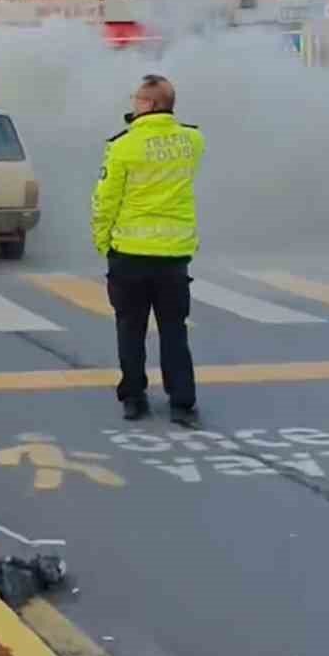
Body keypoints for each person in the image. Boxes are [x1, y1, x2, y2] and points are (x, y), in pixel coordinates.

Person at [91, 73, 205, 428]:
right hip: (173, 255)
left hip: (130, 253)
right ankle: (182, 403)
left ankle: (134, 398)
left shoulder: (122, 146)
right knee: (174, 329)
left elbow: (106, 200)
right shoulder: (193, 140)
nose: (133, 103)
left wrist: (102, 240)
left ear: (151, 105)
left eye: (138, 99)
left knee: (130, 327)